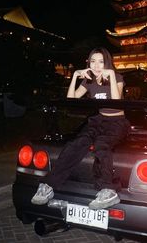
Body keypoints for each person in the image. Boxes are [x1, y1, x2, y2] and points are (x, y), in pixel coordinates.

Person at [31, 47, 130, 209]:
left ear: (107, 62)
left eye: (101, 61)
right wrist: (75, 76)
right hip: (98, 121)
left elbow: (116, 100)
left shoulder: (117, 77)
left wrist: (111, 75)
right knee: (75, 144)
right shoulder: (88, 81)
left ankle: (108, 190)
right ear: (88, 63)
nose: (97, 66)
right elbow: (72, 99)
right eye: (93, 61)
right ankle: (49, 185)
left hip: (117, 122)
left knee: (102, 145)